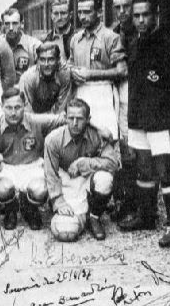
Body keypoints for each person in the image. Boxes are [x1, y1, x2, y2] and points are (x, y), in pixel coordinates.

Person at [118, 0, 170, 248]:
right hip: (139, 118)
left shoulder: (169, 42)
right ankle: (147, 217)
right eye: (136, 15)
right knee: (144, 169)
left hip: (161, 120)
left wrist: (167, 109)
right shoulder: (134, 42)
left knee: (165, 171)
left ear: (155, 15)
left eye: (145, 15)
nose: (140, 20)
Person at [0, 88, 65, 230]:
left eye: (18, 107)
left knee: (40, 190)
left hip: (31, 166)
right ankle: (10, 210)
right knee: (3, 189)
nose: (13, 112)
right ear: (1, 107)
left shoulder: (37, 121)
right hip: (6, 167)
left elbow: (66, 118)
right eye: (8, 108)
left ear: (25, 105)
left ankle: (29, 209)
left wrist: (98, 129)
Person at [44, 99, 119, 242]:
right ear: (65, 117)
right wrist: (58, 201)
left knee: (105, 180)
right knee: (66, 231)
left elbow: (113, 163)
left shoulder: (96, 135)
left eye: (79, 119)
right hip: (65, 179)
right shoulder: (53, 139)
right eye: (71, 118)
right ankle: (55, 207)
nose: (74, 123)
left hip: (86, 178)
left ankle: (94, 216)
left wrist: (84, 163)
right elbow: (50, 173)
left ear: (88, 120)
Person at [69, 0, 126, 141]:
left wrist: (91, 74)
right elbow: (70, 64)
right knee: (81, 138)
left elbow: (122, 70)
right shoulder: (76, 39)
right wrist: (71, 72)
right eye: (80, 12)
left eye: (87, 12)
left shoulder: (111, 37)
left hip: (103, 94)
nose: (82, 16)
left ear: (99, 12)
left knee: (106, 137)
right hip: (80, 93)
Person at [109, 0, 138, 222]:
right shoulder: (112, 33)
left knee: (134, 148)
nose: (122, 12)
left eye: (126, 6)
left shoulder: (141, 32)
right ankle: (123, 199)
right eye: (117, 7)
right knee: (121, 145)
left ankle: (136, 203)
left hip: (136, 92)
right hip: (118, 92)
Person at [19, 42, 72, 114]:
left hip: (55, 117)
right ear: (37, 60)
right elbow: (27, 111)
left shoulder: (64, 74)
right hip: (34, 117)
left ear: (58, 60)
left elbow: (60, 108)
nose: (46, 64)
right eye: (42, 60)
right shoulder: (28, 78)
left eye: (51, 59)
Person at [1, 8, 42, 82]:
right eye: (7, 24)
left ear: (22, 24)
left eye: (14, 23)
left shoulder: (34, 45)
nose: (11, 28)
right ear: (3, 25)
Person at [44, 0, 74, 64]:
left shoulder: (78, 38)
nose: (59, 18)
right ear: (51, 16)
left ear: (70, 15)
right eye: (56, 14)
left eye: (63, 13)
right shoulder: (47, 40)